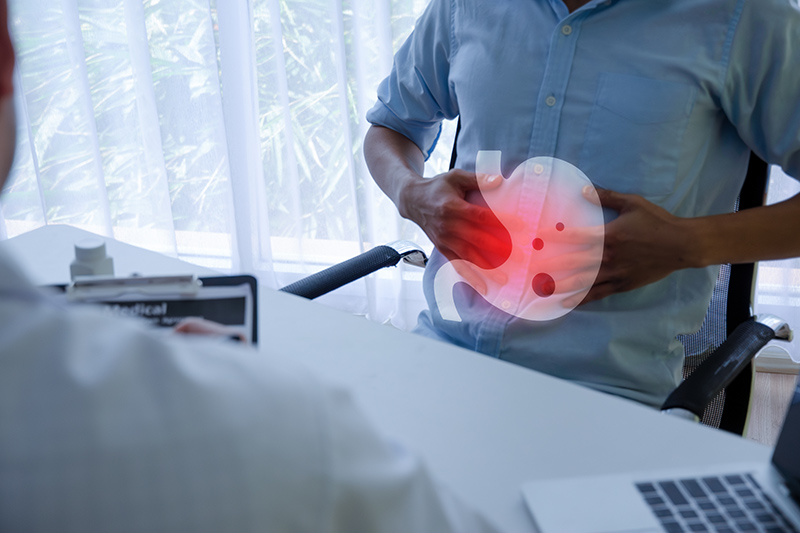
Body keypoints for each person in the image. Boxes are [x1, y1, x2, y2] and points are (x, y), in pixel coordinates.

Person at [0, 3, 498, 531]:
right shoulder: (274, 437)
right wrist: (410, 193)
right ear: (8, 55)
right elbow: (392, 125)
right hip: (452, 361)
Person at [364, 0, 800, 407]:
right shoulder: (465, 7)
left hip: (606, 394)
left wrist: (687, 244)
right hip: (442, 354)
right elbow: (391, 126)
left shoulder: (742, 16)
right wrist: (410, 193)